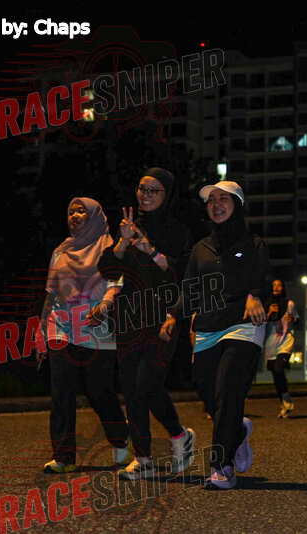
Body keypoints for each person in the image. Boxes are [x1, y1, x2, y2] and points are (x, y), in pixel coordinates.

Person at [160, 180, 270, 490]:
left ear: (238, 205)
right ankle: (238, 432)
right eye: (211, 200)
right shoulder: (201, 248)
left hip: (243, 323)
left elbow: (263, 276)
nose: (216, 204)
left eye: (224, 199)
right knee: (208, 394)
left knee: (228, 391)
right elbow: (190, 289)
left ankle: (222, 466)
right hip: (207, 326)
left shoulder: (254, 243)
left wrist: (254, 295)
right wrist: (173, 315)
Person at [98, 167, 195, 480]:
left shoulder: (178, 230)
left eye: (154, 190)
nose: (146, 195)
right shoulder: (130, 227)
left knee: (147, 384)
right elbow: (107, 269)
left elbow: (181, 272)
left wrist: (150, 250)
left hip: (164, 314)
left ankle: (179, 435)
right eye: (142, 188)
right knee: (130, 388)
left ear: (167, 194)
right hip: (130, 316)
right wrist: (124, 242)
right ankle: (143, 459)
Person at [39, 197, 131, 473]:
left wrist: (104, 306)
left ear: (94, 216)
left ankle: (121, 437)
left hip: (97, 327)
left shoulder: (109, 248)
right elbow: (51, 294)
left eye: (81, 211)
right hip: (61, 327)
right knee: (62, 390)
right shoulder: (61, 251)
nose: (75, 215)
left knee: (98, 391)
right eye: (71, 211)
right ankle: (64, 457)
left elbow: (115, 284)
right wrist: (42, 331)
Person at [264, 279, 299, 418]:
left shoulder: (290, 304)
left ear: (283, 288)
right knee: (276, 375)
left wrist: (293, 319)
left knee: (279, 369)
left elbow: (297, 319)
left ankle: (286, 401)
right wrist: (269, 313)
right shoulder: (266, 304)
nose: (276, 287)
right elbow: (259, 323)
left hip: (286, 341)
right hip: (271, 344)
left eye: (279, 285)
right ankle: (285, 402)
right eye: (273, 285)